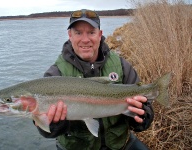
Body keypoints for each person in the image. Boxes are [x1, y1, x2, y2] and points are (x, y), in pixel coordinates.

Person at [34, 9, 154, 150]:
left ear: (100, 35)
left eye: (91, 32)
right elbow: (47, 132)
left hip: (120, 145)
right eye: (78, 33)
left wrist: (141, 115)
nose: (85, 40)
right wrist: (55, 124)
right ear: (70, 35)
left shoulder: (121, 66)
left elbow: (145, 115)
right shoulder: (55, 75)